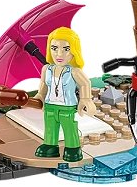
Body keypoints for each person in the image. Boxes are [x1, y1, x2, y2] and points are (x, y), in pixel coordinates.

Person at [33, 27, 96, 162]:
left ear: (74, 51)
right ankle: (50, 146)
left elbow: (85, 84)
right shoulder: (47, 69)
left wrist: (85, 99)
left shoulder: (74, 71)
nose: (59, 54)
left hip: (67, 107)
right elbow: (44, 85)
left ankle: (73, 148)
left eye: (66, 49)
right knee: (50, 127)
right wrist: (40, 96)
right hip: (50, 106)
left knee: (69, 128)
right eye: (54, 48)